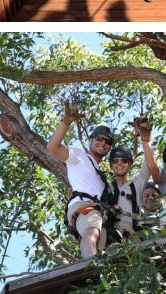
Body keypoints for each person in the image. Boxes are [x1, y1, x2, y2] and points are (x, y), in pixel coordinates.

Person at [46, 101, 113, 258]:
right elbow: (53, 147)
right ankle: (92, 269)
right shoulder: (79, 156)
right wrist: (66, 122)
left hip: (98, 212)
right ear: (90, 139)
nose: (102, 143)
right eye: (99, 138)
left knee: (102, 245)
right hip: (85, 207)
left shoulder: (103, 176)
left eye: (107, 141)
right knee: (91, 234)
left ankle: (97, 274)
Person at [102, 119, 158, 242]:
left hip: (134, 237)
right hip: (110, 238)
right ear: (111, 165)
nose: (119, 164)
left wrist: (145, 138)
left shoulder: (136, 185)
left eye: (123, 160)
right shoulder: (105, 187)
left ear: (130, 164)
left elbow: (149, 165)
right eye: (115, 161)